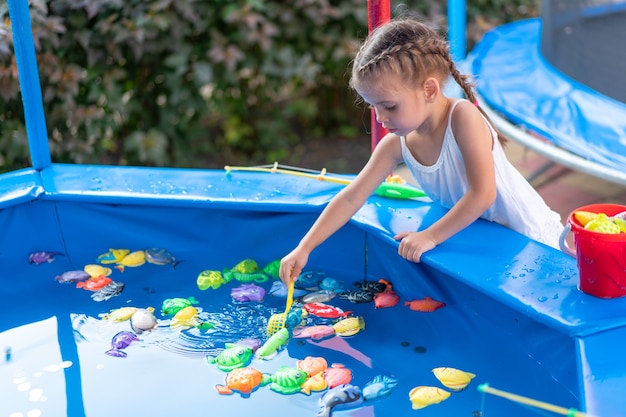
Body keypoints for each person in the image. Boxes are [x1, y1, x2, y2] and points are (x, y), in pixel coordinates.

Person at [279, 18, 564, 285]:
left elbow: (483, 194)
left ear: (429, 90)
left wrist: (430, 236)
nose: (380, 118)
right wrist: (304, 248)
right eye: (373, 106)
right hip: (482, 237)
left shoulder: (462, 119)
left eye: (389, 106)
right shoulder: (395, 145)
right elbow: (352, 196)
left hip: (526, 236)